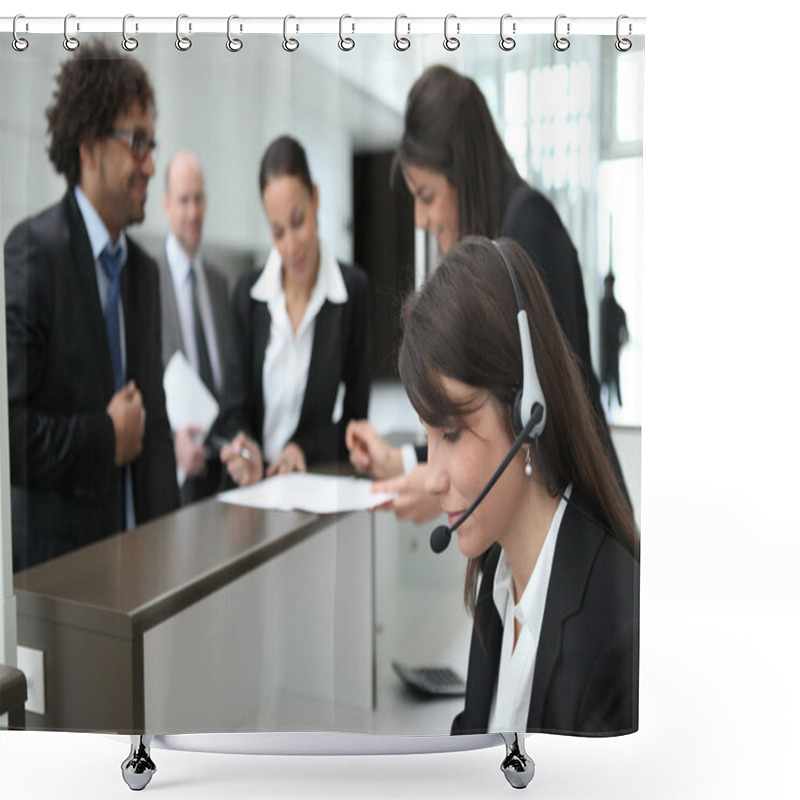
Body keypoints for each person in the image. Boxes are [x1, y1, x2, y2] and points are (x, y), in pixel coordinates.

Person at [346, 64, 627, 521]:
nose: (419, 218)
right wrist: (406, 464)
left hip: (574, 531)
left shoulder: (528, 228)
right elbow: (489, 415)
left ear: (463, 173)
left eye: (427, 195)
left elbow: (539, 418)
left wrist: (436, 483)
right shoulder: (507, 235)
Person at [398, 236, 639, 735]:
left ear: (527, 411)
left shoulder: (613, 630)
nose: (433, 478)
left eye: (450, 432)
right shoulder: (497, 576)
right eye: (428, 436)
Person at [4, 40, 178, 572]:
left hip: (142, 565)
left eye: (152, 143)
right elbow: (11, 431)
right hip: (64, 578)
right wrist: (106, 438)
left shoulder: (144, 274)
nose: (151, 164)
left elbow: (156, 425)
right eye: (136, 142)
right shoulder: (34, 254)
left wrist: (173, 545)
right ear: (88, 144)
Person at [218, 135, 371, 485]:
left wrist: (303, 448)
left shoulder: (352, 291)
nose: (290, 247)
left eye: (298, 221)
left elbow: (356, 419)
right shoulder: (247, 295)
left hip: (313, 485)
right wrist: (244, 447)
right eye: (277, 232)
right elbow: (233, 411)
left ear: (316, 198)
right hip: (251, 489)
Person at [156, 150, 231, 504]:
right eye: (183, 200)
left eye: (198, 199)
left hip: (222, 468)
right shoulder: (148, 281)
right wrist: (171, 440)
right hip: (175, 474)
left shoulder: (218, 282)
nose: (193, 212)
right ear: (166, 205)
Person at [600, 270, 629, 409]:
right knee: (602, 384)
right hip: (603, 353)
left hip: (613, 352)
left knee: (615, 384)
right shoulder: (600, 308)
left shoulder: (618, 310)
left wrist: (619, 345)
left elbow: (626, 334)